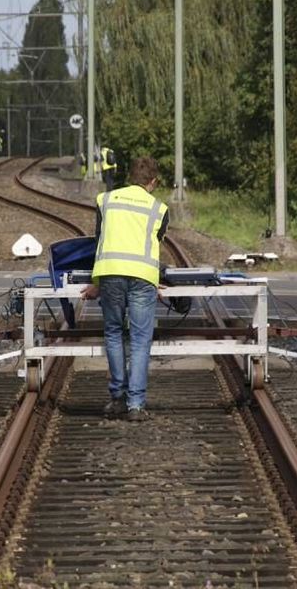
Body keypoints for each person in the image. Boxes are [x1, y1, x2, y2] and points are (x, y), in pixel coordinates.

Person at [80, 156, 169, 422]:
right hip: (143, 278)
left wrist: (96, 283)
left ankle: (117, 398)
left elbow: (99, 239)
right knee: (141, 341)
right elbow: (155, 243)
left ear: (130, 177)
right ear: (153, 182)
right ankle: (136, 405)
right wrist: (153, 279)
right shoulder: (159, 208)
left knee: (114, 333)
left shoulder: (105, 200)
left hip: (109, 273)